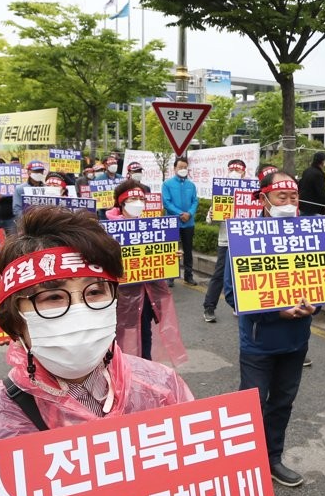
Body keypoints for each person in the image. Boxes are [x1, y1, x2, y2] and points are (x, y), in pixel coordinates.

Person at [0, 206, 193, 450]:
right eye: (53, 297)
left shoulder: (161, 389)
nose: (80, 313)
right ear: (15, 319)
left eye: (94, 292)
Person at [224, 171, 318, 488]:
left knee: (282, 403)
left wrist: (316, 306)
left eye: (294, 197)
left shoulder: (311, 234)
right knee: (250, 405)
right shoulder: (244, 236)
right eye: (282, 197)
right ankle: (241, 462)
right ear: (264, 199)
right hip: (258, 343)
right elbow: (231, 291)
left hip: (296, 342)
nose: (289, 203)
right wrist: (277, 311)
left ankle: (272, 459)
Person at [104, 180, 186, 365]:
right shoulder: (107, 230)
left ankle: (145, 371)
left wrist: (170, 255)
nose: (139, 203)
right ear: (121, 202)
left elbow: (157, 256)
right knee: (121, 335)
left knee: (145, 334)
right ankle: (121, 371)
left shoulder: (151, 226)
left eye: (142, 199)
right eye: (133, 198)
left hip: (148, 294)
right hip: (121, 296)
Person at [203, 157, 248, 323]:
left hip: (245, 241)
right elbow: (209, 219)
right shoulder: (222, 193)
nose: (235, 172)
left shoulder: (251, 194)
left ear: (244, 172)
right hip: (226, 241)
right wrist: (213, 216)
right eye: (232, 169)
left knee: (244, 274)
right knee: (220, 275)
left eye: (238, 169)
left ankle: (241, 305)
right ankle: (209, 307)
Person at [162, 155, 199, 286]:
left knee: (188, 250)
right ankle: (170, 277)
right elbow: (166, 202)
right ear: (174, 168)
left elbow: (195, 201)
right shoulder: (167, 184)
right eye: (180, 167)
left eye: (185, 167)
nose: (183, 169)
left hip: (189, 222)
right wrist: (179, 214)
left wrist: (189, 213)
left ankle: (188, 276)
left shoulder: (191, 185)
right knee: (172, 249)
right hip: (172, 222)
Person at [297, 150, 325, 216]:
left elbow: (300, 186)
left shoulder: (306, 171)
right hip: (314, 208)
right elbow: (322, 192)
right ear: (322, 161)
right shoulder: (318, 174)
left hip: (303, 206)